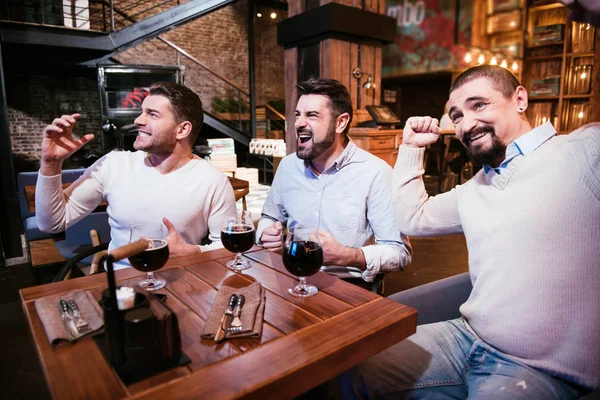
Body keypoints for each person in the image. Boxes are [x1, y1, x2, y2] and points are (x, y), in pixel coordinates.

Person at [340, 65, 599, 399]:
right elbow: (412, 218)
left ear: (519, 99)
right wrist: (412, 147)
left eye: (479, 105)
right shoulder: (473, 189)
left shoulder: (581, 153)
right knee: (355, 367)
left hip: (540, 369)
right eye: (456, 115)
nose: (467, 123)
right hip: (466, 337)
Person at [36, 82, 237, 266]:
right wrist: (51, 163)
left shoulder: (213, 180)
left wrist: (192, 252)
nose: (138, 120)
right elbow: (53, 223)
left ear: (182, 129)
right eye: (142, 112)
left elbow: (229, 248)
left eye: (152, 114)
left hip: (182, 286)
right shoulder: (113, 164)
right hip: (121, 287)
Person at [256, 78, 411, 290]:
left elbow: (399, 253)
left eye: (312, 115)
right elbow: (270, 217)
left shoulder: (376, 173)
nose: (299, 123)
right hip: (293, 278)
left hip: (349, 286)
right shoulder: (287, 166)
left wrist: (345, 256)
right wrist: (266, 233)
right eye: (298, 114)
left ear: (340, 123)